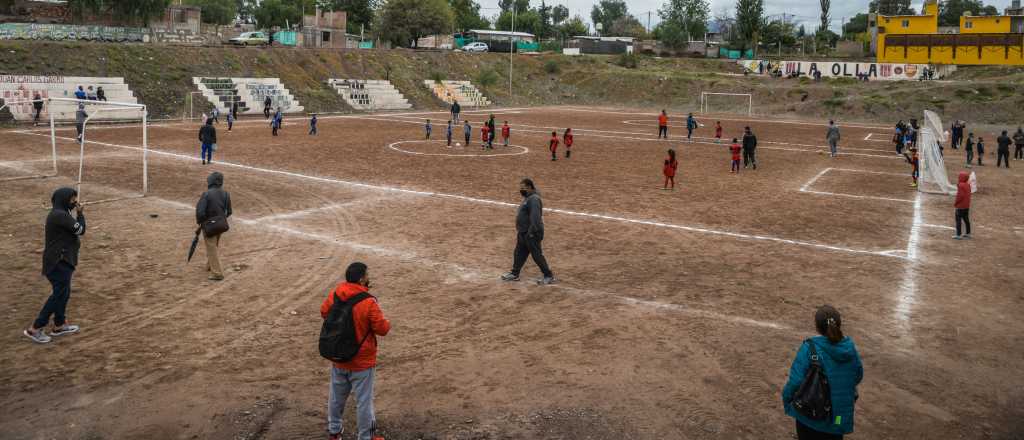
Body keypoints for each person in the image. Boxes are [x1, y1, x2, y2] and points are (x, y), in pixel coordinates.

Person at [321, 262, 391, 440]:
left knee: (336, 397)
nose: (369, 277)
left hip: (338, 356)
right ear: (361, 279)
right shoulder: (368, 301)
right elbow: (382, 329)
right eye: (367, 275)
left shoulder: (336, 293)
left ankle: (334, 431)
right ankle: (365, 437)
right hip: (362, 362)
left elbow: (324, 312)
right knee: (364, 402)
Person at [782, 305, 863, 440]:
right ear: (838, 324)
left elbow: (795, 381)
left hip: (809, 416)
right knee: (834, 429)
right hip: (837, 416)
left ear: (817, 326)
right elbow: (858, 376)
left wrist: (787, 399)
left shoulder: (809, 348)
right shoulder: (850, 349)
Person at [23, 187, 86, 344]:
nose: (75, 202)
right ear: (65, 199)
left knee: (63, 293)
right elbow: (80, 230)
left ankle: (59, 324)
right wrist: (80, 214)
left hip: (61, 261)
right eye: (73, 199)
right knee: (58, 294)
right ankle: (35, 328)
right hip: (58, 262)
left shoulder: (59, 213)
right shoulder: (60, 216)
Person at [501, 178, 555, 285]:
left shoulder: (534, 199)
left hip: (531, 233)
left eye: (523, 188)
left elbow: (535, 218)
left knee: (536, 254)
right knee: (519, 253)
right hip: (523, 232)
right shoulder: (528, 198)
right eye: (520, 188)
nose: (521, 190)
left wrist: (531, 232)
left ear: (530, 187)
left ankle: (548, 275)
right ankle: (515, 273)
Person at [195, 172, 232, 281]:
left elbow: (200, 212)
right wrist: (220, 219)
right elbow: (229, 211)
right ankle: (209, 265)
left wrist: (201, 223)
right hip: (221, 224)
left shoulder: (206, 194)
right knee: (214, 246)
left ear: (210, 181)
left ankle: (217, 273)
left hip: (209, 225)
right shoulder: (226, 194)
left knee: (211, 247)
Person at [953, 171, 972, 240]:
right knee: (966, 219)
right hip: (967, 206)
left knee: (958, 220)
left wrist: (956, 203)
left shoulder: (960, 185)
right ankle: (968, 233)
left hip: (960, 206)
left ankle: (958, 234)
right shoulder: (968, 185)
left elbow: (960, 196)